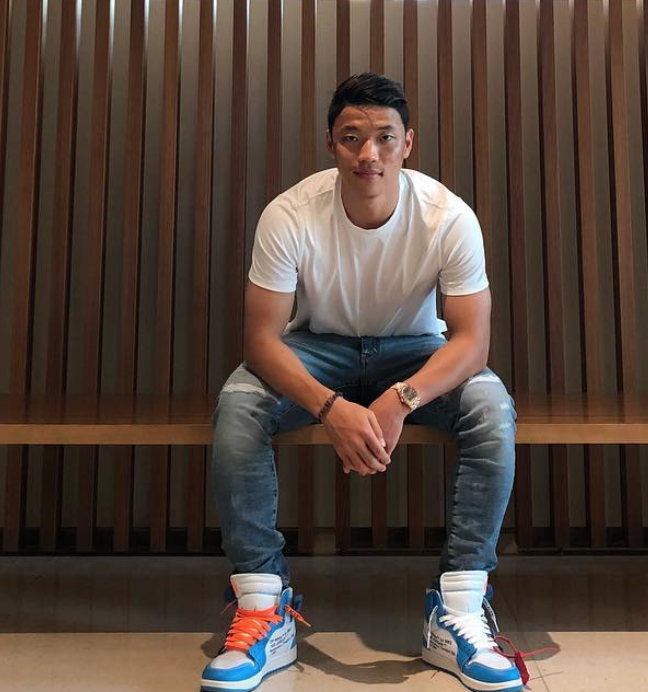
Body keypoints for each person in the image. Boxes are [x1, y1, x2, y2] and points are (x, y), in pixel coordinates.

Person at [200, 73, 520, 692]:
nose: (368, 153)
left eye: (383, 138)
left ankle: (457, 607)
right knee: (239, 403)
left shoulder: (448, 217)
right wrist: (330, 408)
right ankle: (263, 608)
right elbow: (262, 341)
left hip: (414, 352)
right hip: (318, 348)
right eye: (352, 137)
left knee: (490, 403)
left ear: (407, 144)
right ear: (331, 143)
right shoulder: (290, 214)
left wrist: (401, 400)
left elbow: (471, 342)